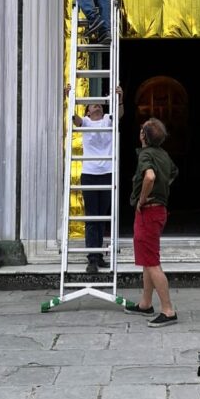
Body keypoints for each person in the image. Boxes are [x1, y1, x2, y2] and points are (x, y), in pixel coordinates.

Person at [125, 117, 179, 328]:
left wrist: (143, 198)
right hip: (159, 211)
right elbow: (173, 172)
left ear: (143, 136)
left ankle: (168, 310)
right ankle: (145, 303)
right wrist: (161, 191)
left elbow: (149, 177)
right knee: (148, 260)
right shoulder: (163, 154)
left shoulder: (146, 154)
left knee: (153, 264)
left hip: (148, 211)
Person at [71, 85, 124, 273]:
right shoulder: (85, 122)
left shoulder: (108, 120)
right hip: (90, 174)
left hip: (107, 173)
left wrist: (120, 98)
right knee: (92, 217)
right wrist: (68, 96)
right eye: (93, 105)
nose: (97, 107)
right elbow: (74, 119)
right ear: (87, 110)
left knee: (102, 217)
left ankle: (99, 255)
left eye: (100, 105)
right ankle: (92, 258)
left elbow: (119, 114)